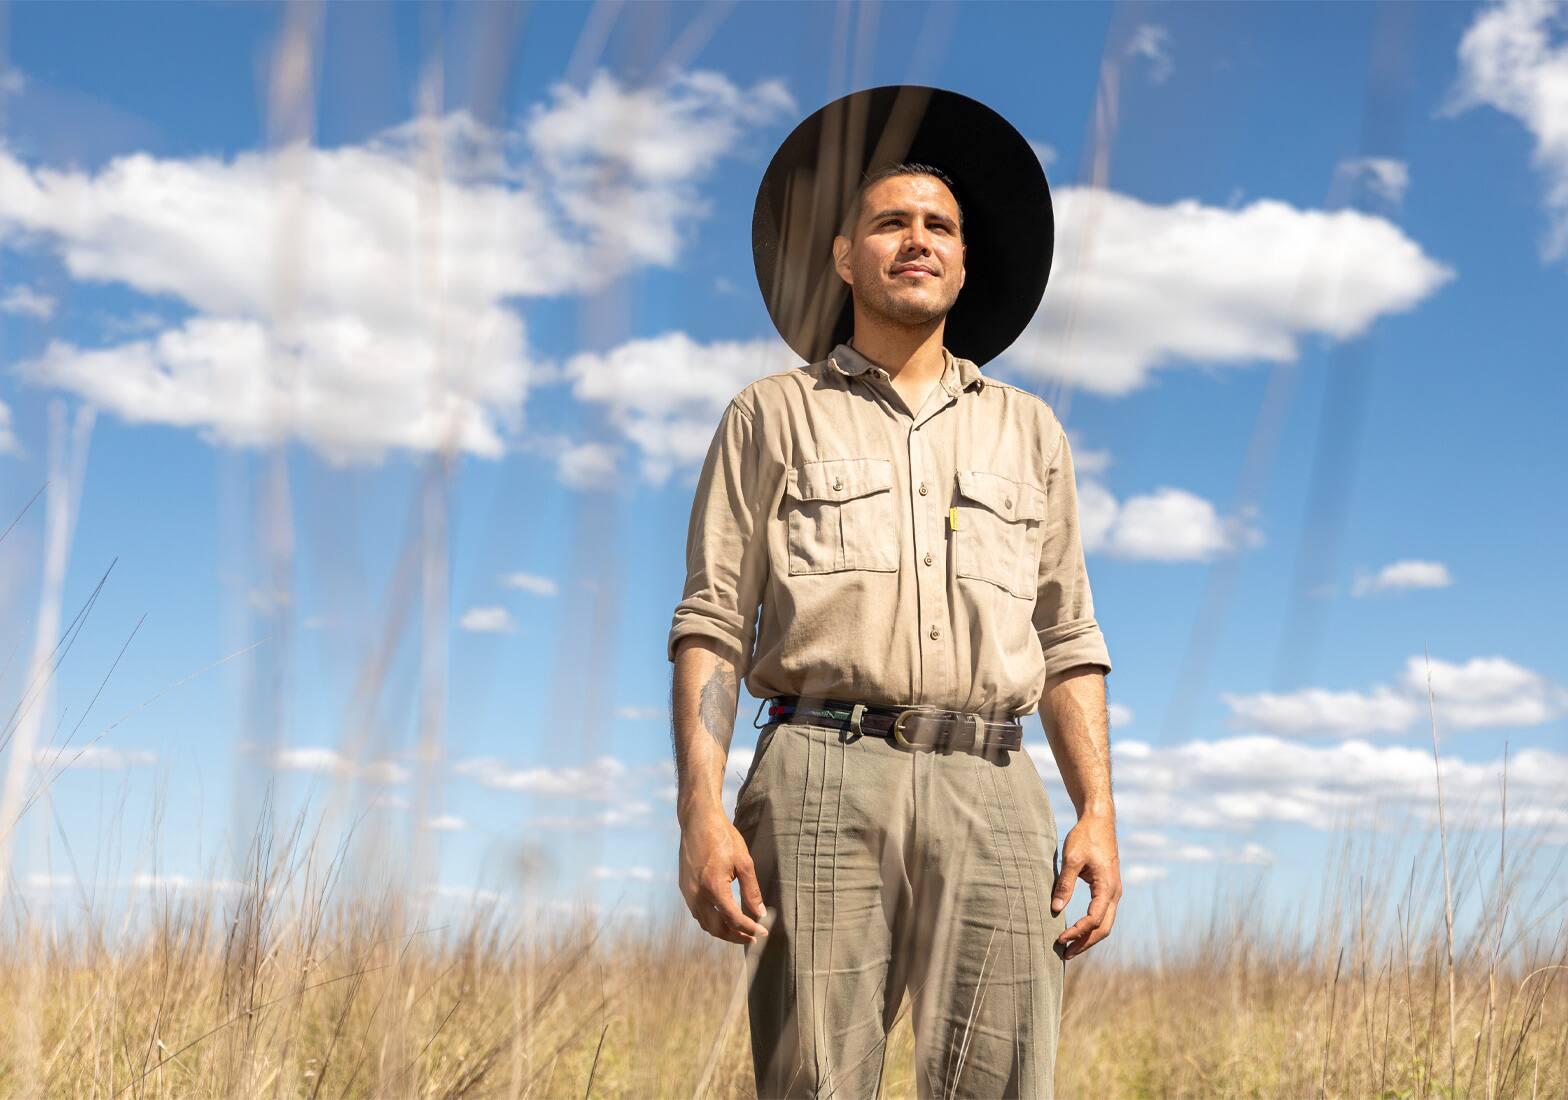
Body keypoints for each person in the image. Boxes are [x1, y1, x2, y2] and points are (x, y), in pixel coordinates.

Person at [667, 85, 1122, 1099]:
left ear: (962, 262)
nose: (915, 239)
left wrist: (1096, 811)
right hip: (820, 776)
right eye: (889, 222)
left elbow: (1066, 634)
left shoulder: (1028, 430)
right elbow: (707, 623)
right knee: (813, 1081)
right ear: (843, 257)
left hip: (994, 789)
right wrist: (699, 809)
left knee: (1001, 1082)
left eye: (938, 226)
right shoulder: (768, 415)